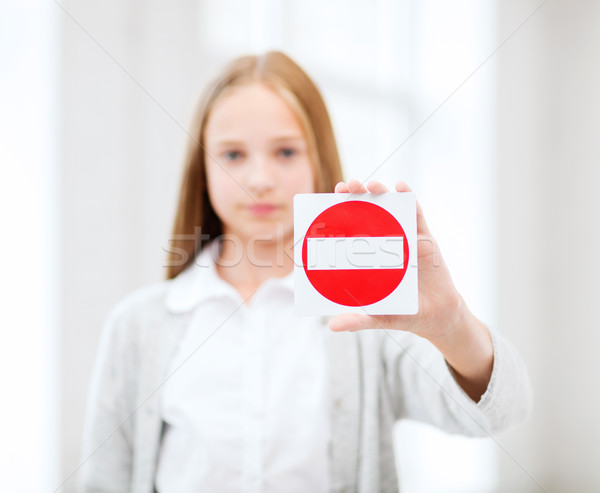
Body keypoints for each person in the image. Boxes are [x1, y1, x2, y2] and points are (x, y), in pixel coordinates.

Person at [78, 51, 532, 493]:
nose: (259, 179)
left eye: (286, 152)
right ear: (202, 170)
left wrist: (452, 324)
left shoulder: (368, 317)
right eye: (233, 155)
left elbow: (499, 413)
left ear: (319, 159)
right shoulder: (138, 325)